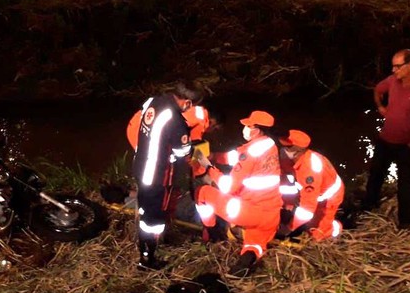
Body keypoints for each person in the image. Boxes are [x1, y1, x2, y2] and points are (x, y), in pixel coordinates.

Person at [194, 110, 282, 277]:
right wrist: (216, 157)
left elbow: (229, 187)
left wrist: (210, 170)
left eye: (248, 126)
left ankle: (211, 233)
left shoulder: (248, 152)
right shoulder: (269, 145)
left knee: (202, 192)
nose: (245, 129)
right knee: (254, 243)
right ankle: (246, 260)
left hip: (248, 210)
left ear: (257, 129)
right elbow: (238, 156)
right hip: (271, 216)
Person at [362, 49, 410, 229]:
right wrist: (381, 106)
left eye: (397, 66)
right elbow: (377, 90)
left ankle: (405, 222)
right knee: (375, 174)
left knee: (405, 183)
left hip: (407, 145)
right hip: (385, 140)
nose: (393, 70)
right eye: (393, 66)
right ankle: (369, 205)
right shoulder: (392, 81)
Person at [131, 80, 204, 270]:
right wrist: (196, 152)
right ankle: (148, 258)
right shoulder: (176, 121)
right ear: (187, 102)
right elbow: (182, 153)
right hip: (156, 175)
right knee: (153, 219)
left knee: (145, 209)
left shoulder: (152, 102)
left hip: (140, 166)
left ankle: (143, 246)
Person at [277, 130, 344, 241]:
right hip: (307, 191)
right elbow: (283, 174)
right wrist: (287, 203)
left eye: (287, 147)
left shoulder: (310, 170)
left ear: (298, 151)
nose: (283, 150)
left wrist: (289, 228)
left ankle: (334, 230)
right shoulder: (290, 157)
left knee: (316, 233)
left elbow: (307, 208)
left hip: (327, 199)